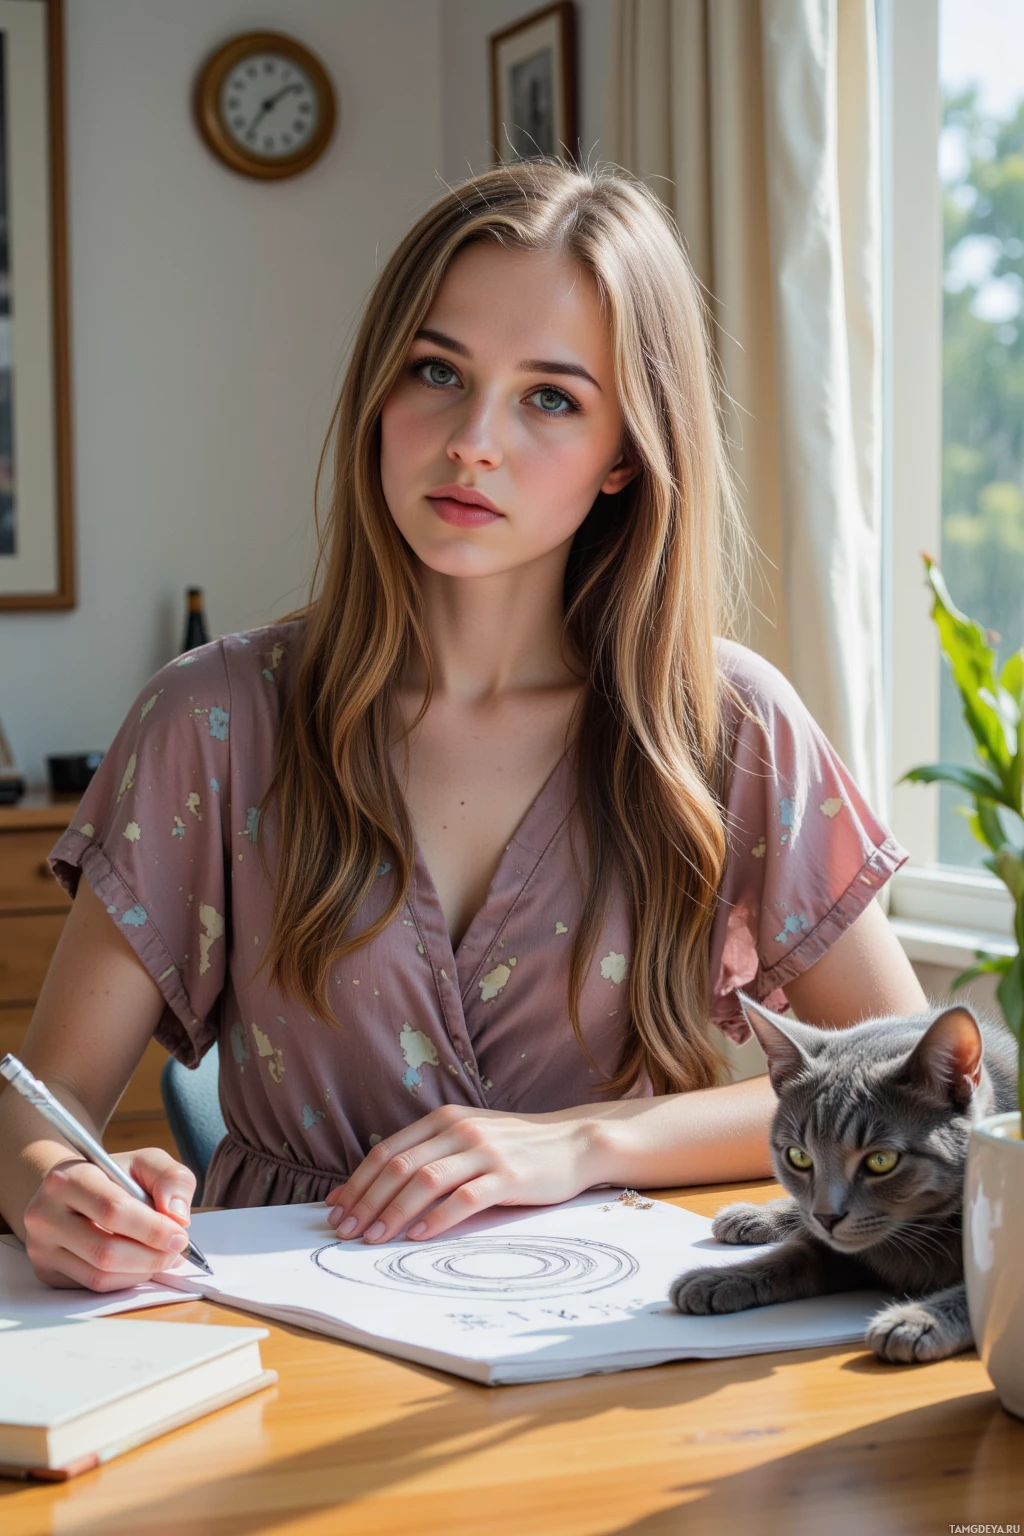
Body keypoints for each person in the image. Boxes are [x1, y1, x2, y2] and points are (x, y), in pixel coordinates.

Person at [0, 162, 925, 1291]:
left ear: (626, 452)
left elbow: (916, 1090)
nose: (473, 440)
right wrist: (58, 1188)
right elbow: (38, 1104)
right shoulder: (213, 721)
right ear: (380, 392)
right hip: (283, 1338)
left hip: (615, 1338)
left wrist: (583, 1142)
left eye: (551, 398)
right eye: (437, 371)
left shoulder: (729, 726)